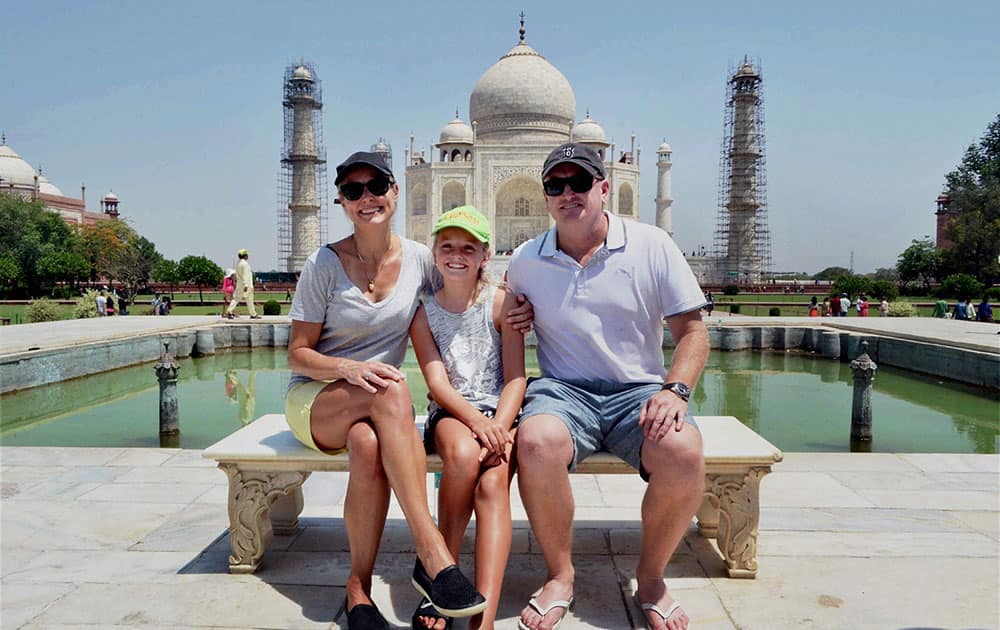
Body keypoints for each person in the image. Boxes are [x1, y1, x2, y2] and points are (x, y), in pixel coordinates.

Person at [285, 151, 532, 629]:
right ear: (341, 201)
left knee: (368, 444)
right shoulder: (324, 264)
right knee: (392, 389)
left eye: (375, 186)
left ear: (395, 192)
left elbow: (470, 287)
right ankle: (434, 554)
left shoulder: (420, 259)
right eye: (353, 191)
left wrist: (520, 307)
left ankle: (357, 589)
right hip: (318, 399)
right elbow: (297, 353)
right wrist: (348, 368)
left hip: (374, 412)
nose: (366, 198)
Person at [507, 143, 709, 630]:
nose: (568, 193)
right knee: (535, 441)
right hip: (564, 390)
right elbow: (497, 314)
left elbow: (693, 331)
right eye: (556, 185)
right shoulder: (525, 260)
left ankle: (652, 577)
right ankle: (560, 575)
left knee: (682, 451)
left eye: (579, 182)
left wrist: (674, 390)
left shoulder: (651, 244)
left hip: (637, 390)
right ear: (545, 196)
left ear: (604, 187)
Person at [408, 206, 526, 630]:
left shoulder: (502, 304)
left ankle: (485, 618)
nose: (456, 255)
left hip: (501, 414)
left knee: (493, 486)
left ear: (484, 255)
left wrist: (499, 425)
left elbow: (516, 379)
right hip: (455, 412)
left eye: (467, 247)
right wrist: (479, 423)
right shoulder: (423, 311)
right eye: (447, 247)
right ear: (435, 253)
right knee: (460, 453)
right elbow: (439, 386)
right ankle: (444, 573)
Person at [225, 250, 259, 320]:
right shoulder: (245, 264)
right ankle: (253, 314)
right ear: (245, 256)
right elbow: (245, 275)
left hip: (239, 283)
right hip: (247, 284)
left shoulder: (238, 264)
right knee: (249, 299)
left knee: (236, 298)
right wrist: (246, 285)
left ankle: (229, 311)